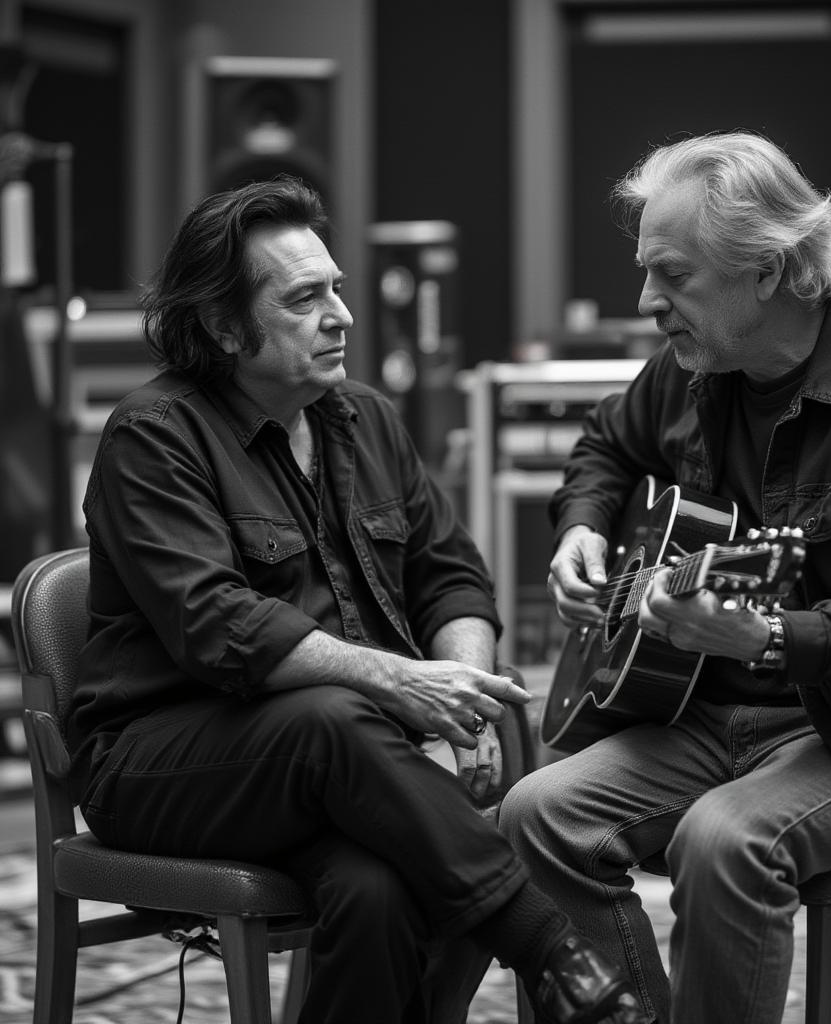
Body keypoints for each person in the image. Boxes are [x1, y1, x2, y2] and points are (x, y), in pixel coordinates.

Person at [66, 176, 643, 1024]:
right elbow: (221, 628)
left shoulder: (365, 418)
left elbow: (452, 577)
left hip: (344, 763)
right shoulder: (154, 434)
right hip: (163, 761)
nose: (342, 314)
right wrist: (402, 685)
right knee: (330, 718)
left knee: (375, 888)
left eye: (336, 287)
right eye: (306, 298)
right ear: (224, 327)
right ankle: (555, 956)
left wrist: (466, 699)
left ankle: (553, 966)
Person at [499, 130, 831, 1024]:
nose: (646, 299)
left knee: (724, 839)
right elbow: (605, 449)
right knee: (534, 815)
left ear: (769, 272)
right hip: (711, 709)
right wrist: (582, 530)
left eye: (673, 275)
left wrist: (776, 635)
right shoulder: (695, 366)